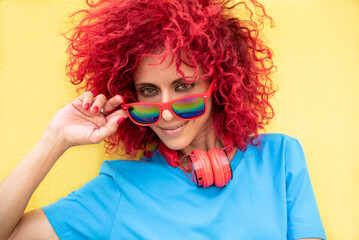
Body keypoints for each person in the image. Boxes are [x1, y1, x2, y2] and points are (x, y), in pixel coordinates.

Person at [0, 0, 326, 239]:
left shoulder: (279, 158)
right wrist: (54, 139)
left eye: (184, 87)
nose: (166, 110)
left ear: (220, 86)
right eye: (149, 90)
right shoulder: (118, 190)